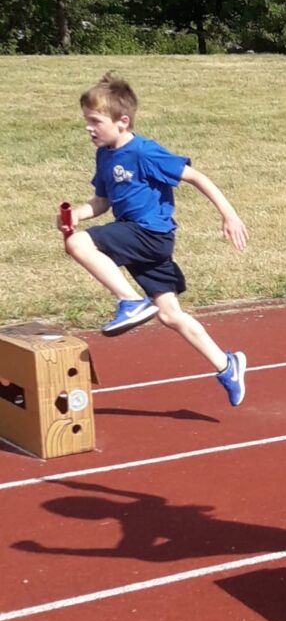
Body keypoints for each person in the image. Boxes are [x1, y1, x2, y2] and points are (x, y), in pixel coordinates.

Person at [59, 73, 249, 406]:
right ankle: (226, 365)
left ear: (122, 122)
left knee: (78, 244)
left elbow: (196, 177)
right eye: (85, 121)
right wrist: (77, 213)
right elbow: (102, 202)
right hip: (134, 237)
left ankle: (130, 302)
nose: (88, 128)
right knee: (170, 315)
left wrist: (229, 214)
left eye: (95, 121)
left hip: (150, 235)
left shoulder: (145, 152)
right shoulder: (105, 155)